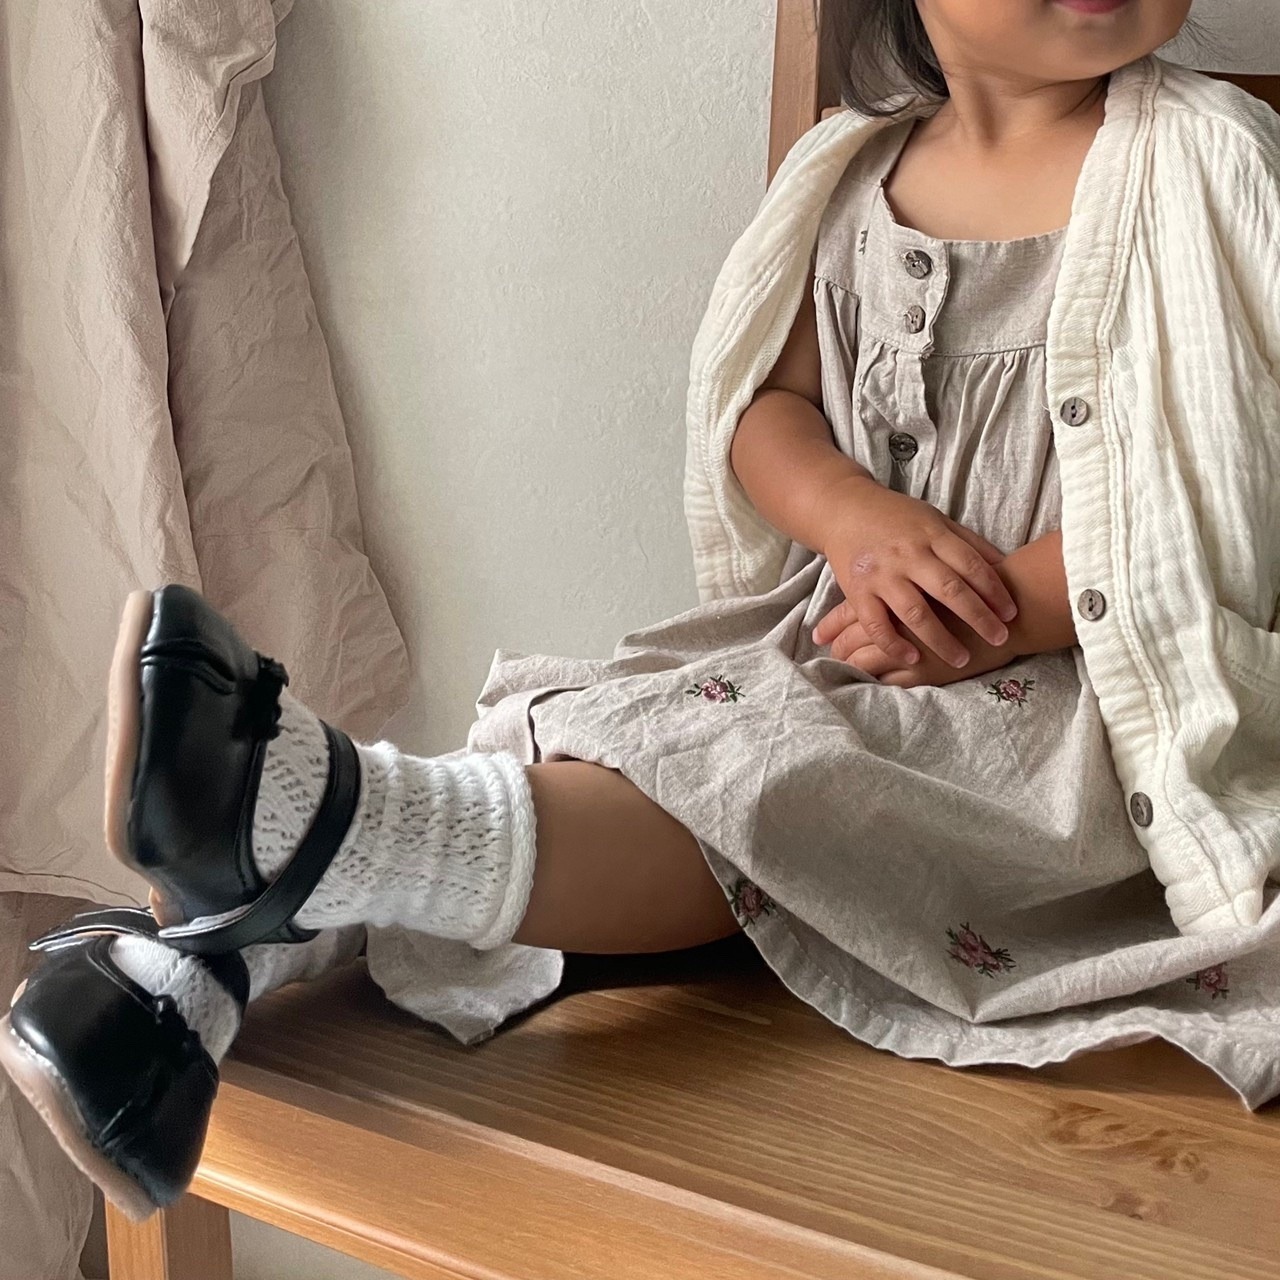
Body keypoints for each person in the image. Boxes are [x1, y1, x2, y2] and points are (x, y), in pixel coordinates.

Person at [5, 0, 1280, 1221]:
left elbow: (1235, 487)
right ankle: (216, 961)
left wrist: (996, 615)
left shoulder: (1207, 160)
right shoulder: (852, 174)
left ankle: (300, 849)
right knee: (630, 721)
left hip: (1081, 694)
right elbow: (768, 410)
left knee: (787, 776)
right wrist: (850, 518)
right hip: (840, 638)